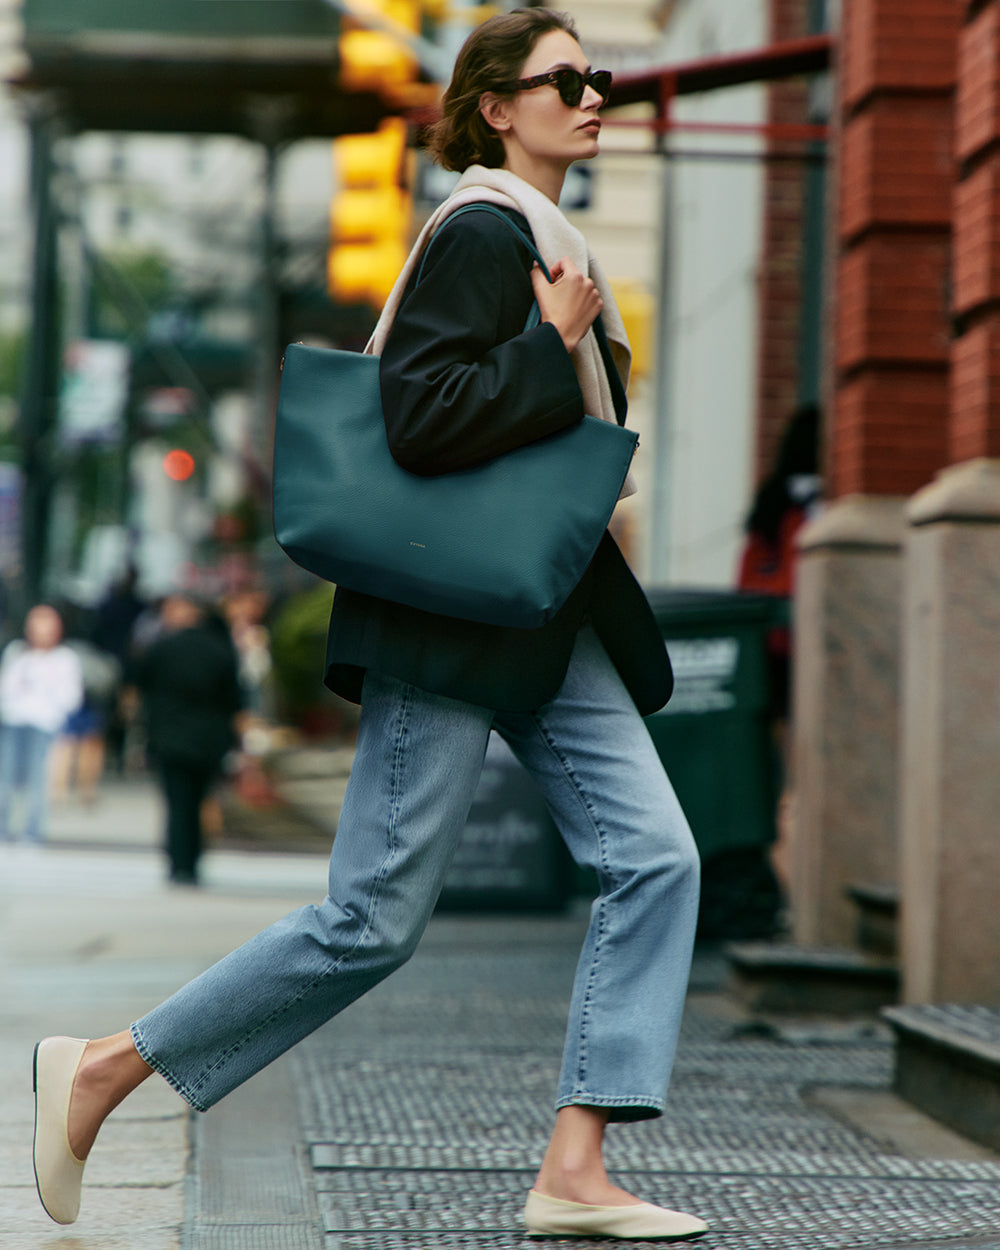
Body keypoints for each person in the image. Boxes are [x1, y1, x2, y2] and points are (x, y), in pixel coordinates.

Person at [32, 11, 705, 1240]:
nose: (594, 93)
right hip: (452, 617)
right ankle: (105, 1069)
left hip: (542, 616)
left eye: (598, 75)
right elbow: (422, 417)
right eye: (567, 78)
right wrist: (552, 350)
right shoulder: (483, 233)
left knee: (657, 858)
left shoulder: (545, 239)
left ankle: (576, 1162)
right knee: (370, 920)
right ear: (497, 105)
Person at [126, 593, 243, 885]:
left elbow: (136, 686)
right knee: (199, 800)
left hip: (169, 737)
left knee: (177, 803)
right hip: (209, 739)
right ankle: (193, 860)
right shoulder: (220, 649)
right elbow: (233, 699)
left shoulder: (160, 648)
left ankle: (179, 863)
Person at [0, 604, 83, 844]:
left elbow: (70, 696)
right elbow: (7, 687)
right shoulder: (17, 652)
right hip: (15, 720)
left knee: (39, 779)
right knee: (5, 777)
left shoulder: (65, 658)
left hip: (45, 723)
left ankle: (32, 830)